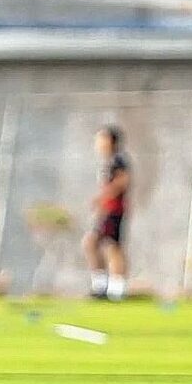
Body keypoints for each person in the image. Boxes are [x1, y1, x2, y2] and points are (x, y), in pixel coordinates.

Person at [82, 125, 131, 301]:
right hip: (107, 211)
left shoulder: (118, 160)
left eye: (101, 139)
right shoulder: (109, 161)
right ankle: (101, 285)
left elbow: (123, 181)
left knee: (112, 247)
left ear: (111, 141)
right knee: (92, 243)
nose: (98, 143)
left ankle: (116, 289)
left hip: (114, 210)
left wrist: (103, 197)